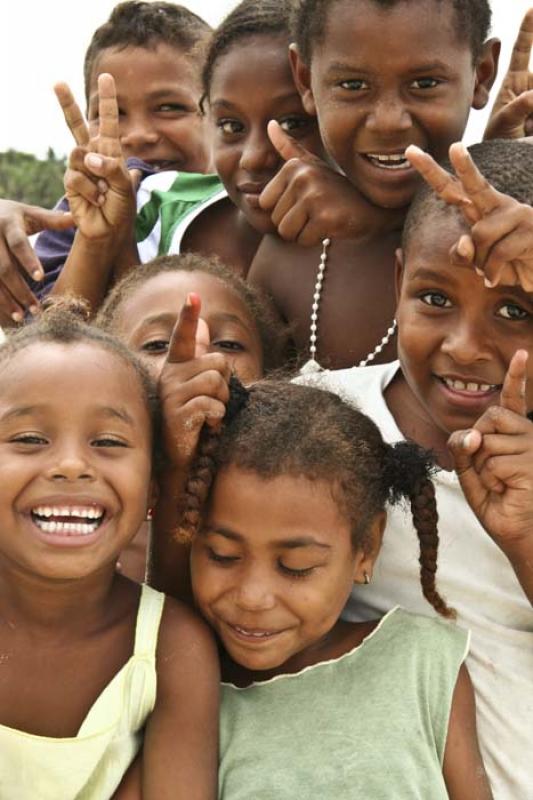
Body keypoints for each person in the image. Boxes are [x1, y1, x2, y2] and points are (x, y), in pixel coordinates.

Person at [299, 138, 533, 798]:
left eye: (515, 311)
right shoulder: (324, 419)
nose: (463, 344)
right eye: (433, 299)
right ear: (398, 281)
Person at [175, 377, 492, 799]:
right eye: (222, 555)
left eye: (295, 567)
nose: (253, 596)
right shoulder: (189, 694)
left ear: (366, 548)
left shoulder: (421, 662)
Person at [0, 302, 219, 799]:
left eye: (109, 442)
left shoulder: (170, 649)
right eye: (30, 438)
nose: (72, 465)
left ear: (154, 490)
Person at [248, 0, 506, 369]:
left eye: (424, 84)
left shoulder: (510, 237)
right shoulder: (288, 252)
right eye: (353, 85)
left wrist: (376, 222)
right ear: (305, 79)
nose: (388, 122)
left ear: (481, 74)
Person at [0, 0, 214, 322]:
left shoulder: (241, 202)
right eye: (112, 113)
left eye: (169, 107)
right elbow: (46, 337)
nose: (139, 135)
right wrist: (95, 239)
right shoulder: (71, 218)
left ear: (220, 112)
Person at [96, 251, 286, 583]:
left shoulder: (287, 493)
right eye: (157, 345)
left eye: (228, 343)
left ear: (269, 376)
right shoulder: (86, 495)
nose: (199, 356)